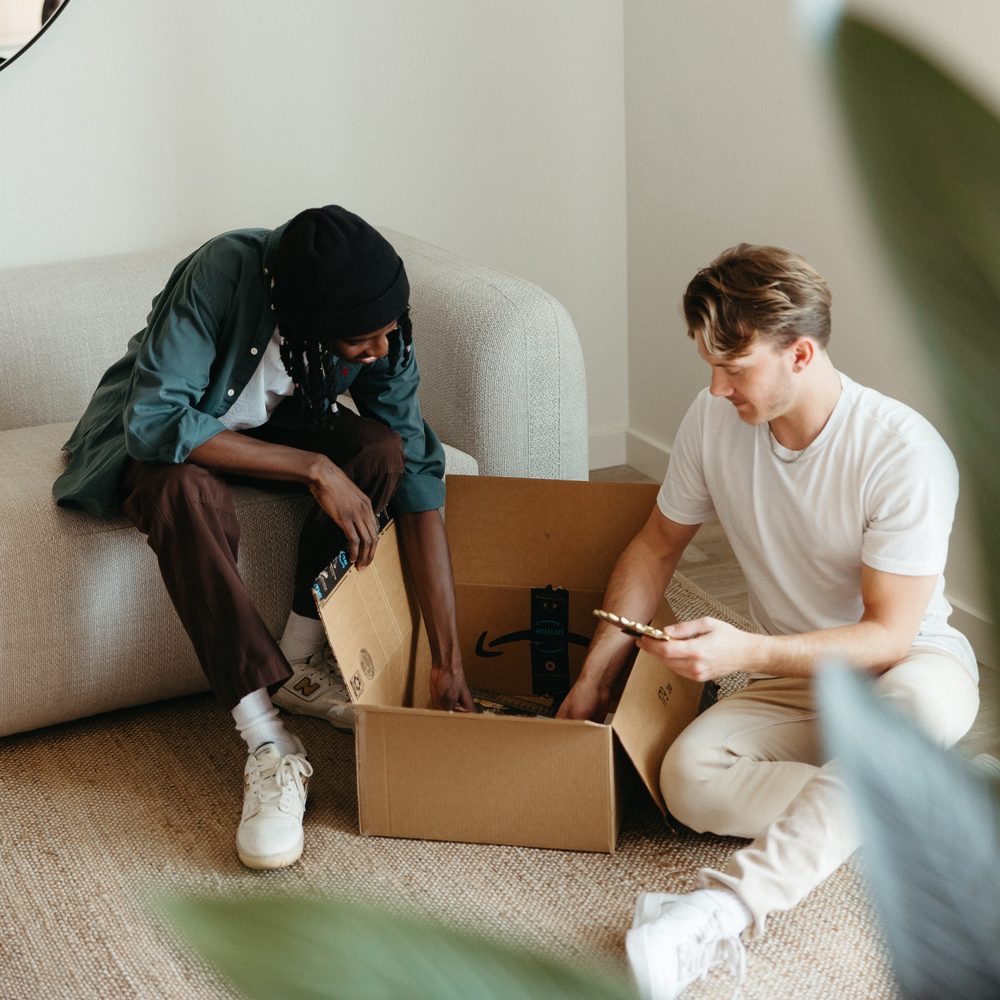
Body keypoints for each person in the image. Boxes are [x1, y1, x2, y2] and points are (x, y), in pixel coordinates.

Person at [557, 244, 980, 999]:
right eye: (709, 367)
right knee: (686, 777)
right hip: (795, 680)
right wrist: (595, 678)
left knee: (906, 716)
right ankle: (932, 801)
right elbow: (655, 549)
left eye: (735, 368)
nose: (716, 390)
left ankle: (719, 913)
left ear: (801, 353)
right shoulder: (713, 419)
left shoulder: (900, 452)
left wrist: (744, 648)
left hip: (910, 669)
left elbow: (887, 634)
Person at [53, 204, 474, 871]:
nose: (381, 352)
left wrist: (448, 659)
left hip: (270, 427)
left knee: (381, 450)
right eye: (364, 340)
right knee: (185, 492)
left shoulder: (374, 320)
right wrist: (312, 467)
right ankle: (268, 743)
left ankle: (296, 664)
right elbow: (157, 419)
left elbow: (418, 472)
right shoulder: (222, 271)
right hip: (157, 440)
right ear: (312, 322)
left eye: (389, 332)